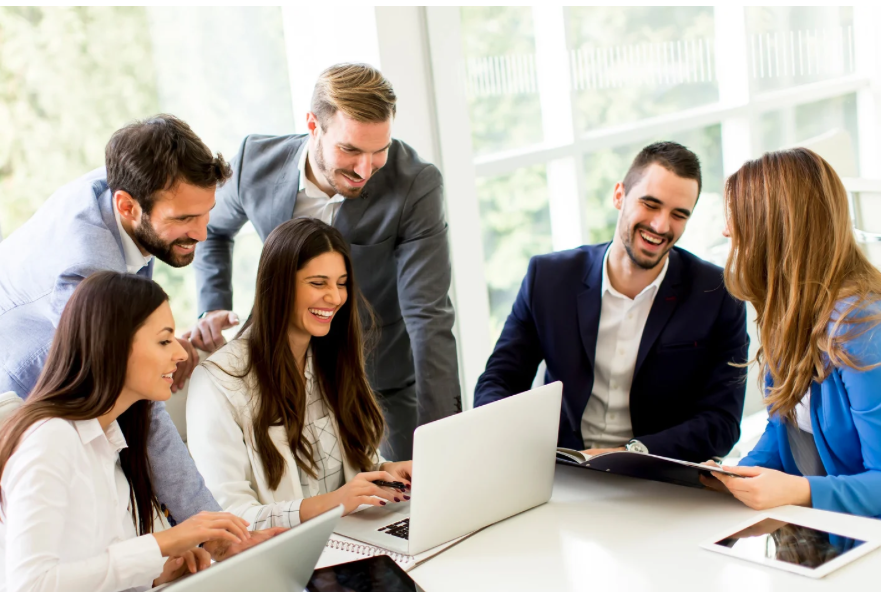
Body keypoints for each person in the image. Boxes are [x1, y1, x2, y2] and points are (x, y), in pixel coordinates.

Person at [0, 115, 227, 525]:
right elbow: (141, 404)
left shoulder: (130, 186)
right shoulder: (84, 269)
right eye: (183, 219)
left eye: (206, 213)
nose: (202, 233)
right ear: (127, 206)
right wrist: (213, 526)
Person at [0, 272, 276, 592]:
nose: (181, 354)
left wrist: (157, 574)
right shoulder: (49, 440)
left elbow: (93, 573)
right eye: (164, 341)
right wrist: (164, 542)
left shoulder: (110, 439)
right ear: (113, 346)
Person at [190, 63, 461, 461]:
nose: (365, 169)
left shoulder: (415, 185)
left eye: (379, 151)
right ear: (313, 126)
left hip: (379, 379)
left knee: (415, 486)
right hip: (280, 375)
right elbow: (210, 229)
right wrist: (213, 303)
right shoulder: (254, 162)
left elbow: (428, 315)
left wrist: (445, 436)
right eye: (350, 150)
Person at [474, 142, 748, 462]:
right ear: (619, 195)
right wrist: (510, 445)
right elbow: (500, 380)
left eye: (678, 215)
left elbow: (722, 422)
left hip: (660, 471)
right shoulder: (548, 278)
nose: (661, 226)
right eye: (650, 204)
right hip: (562, 465)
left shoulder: (718, 294)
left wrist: (627, 454)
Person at [187, 218, 413, 530]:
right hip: (286, 553)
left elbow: (340, 477)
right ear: (279, 285)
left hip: (353, 538)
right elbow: (230, 517)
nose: (335, 297)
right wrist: (334, 502)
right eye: (318, 283)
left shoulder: (330, 359)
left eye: (341, 283)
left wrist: (384, 473)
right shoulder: (217, 381)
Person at [703, 148, 881, 519]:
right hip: (827, 526)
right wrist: (738, 475)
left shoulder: (861, 327)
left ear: (776, 230)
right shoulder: (792, 309)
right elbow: (785, 423)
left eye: (739, 217)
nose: (726, 230)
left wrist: (799, 491)